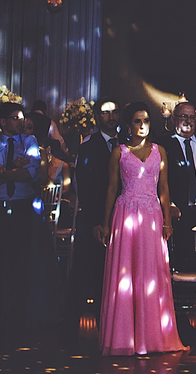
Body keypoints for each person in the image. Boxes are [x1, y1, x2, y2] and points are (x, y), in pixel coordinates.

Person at [94, 102, 185, 356]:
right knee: (127, 275)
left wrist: (167, 221)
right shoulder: (119, 152)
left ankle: (153, 337)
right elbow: (111, 189)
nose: (142, 125)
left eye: (146, 120)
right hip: (125, 216)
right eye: (137, 121)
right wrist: (104, 222)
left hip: (153, 216)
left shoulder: (160, 151)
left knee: (151, 274)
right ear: (128, 125)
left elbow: (164, 189)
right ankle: (125, 338)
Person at [0, 103, 43, 341]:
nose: (20, 122)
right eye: (15, 118)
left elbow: (32, 174)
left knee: (19, 264)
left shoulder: (30, 143)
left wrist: (1, 173)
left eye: (22, 118)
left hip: (22, 208)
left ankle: (18, 319)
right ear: (3, 122)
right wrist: (7, 172)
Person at [69, 99, 120, 315]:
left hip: (121, 216)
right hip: (94, 217)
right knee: (85, 273)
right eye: (105, 113)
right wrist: (95, 222)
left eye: (114, 112)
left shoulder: (128, 144)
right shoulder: (88, 146)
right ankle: (71, 330)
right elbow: (84, 188)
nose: (111, 117)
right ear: (98, 117)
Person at [157, 102, 196, 273]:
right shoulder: (162, 145)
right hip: (179, 212)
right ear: (173, 118)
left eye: (192, 117)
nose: (188, 121)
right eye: (184, 116)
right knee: (181, 264)